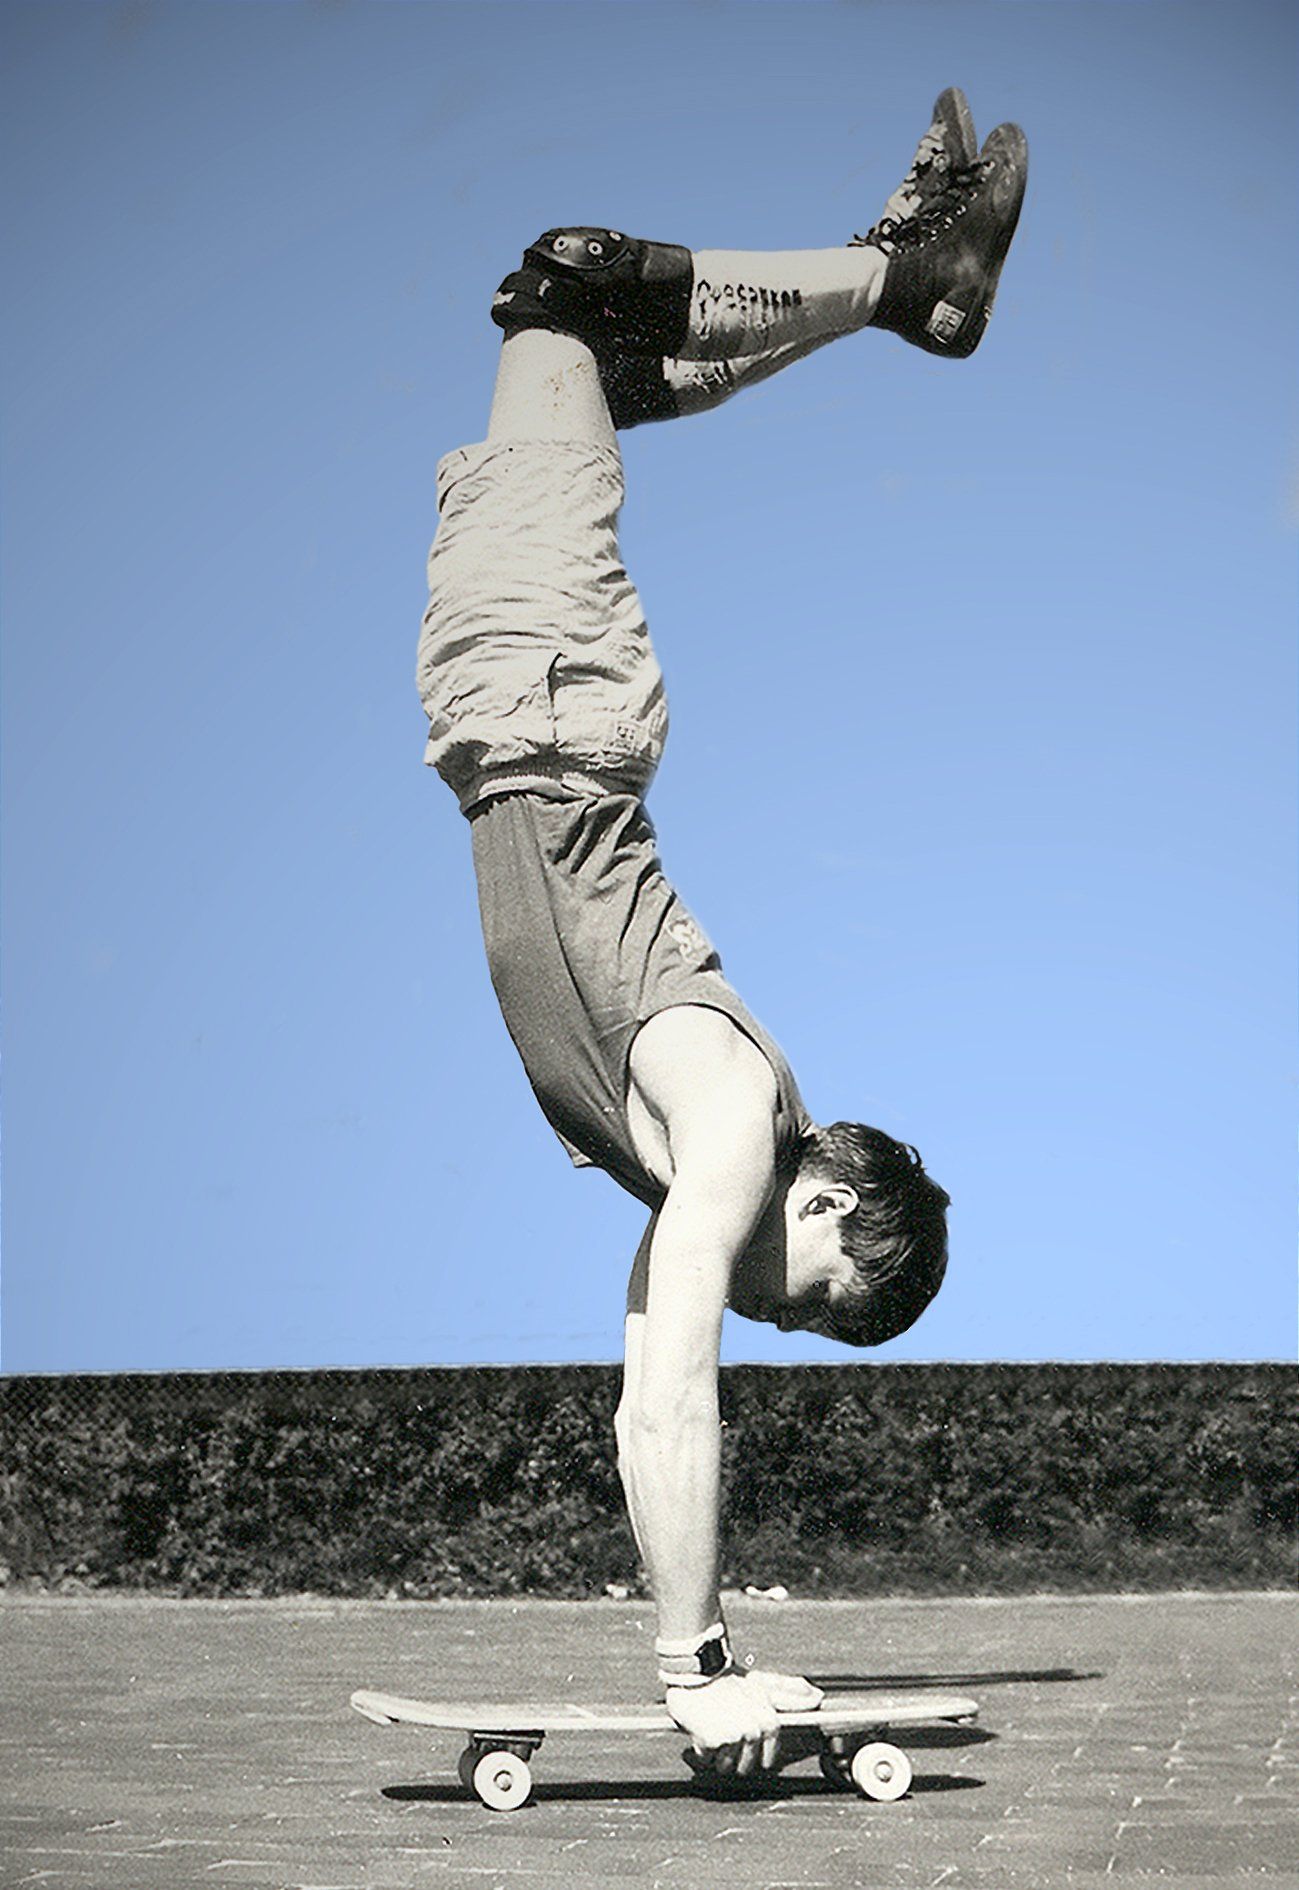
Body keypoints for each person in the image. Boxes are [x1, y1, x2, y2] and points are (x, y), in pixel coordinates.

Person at [416, 90, 1028, 1779]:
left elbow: (646, 1390)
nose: (776, 1310)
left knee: (593, 351)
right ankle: (911, 283)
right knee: (565, 288)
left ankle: (904, 283)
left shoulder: (694, 1145)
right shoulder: (726, 1110)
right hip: (547, 702)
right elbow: (683, 1380)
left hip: (520, 711)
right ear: (829, 1198)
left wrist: (709, 1640)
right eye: (815, 1293)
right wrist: (691, 1667)